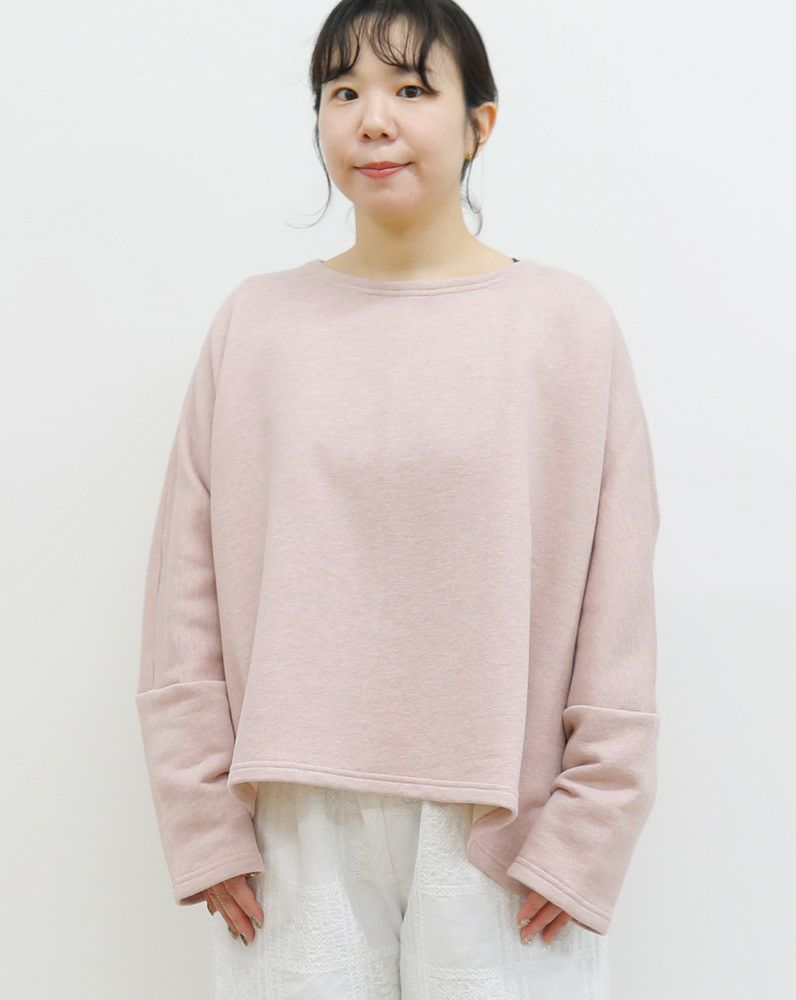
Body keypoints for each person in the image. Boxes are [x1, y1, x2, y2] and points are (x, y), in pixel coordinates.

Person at [135, 2, 660, 997]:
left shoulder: (565, 328)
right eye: (343, 91)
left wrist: (591, 823)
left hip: (506, 822)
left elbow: (617, 595)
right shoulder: (257, 325)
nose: (372, 119)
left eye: (411, 88)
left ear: (478, 124)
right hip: (290, 819)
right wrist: (200, 816)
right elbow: (183, 587)